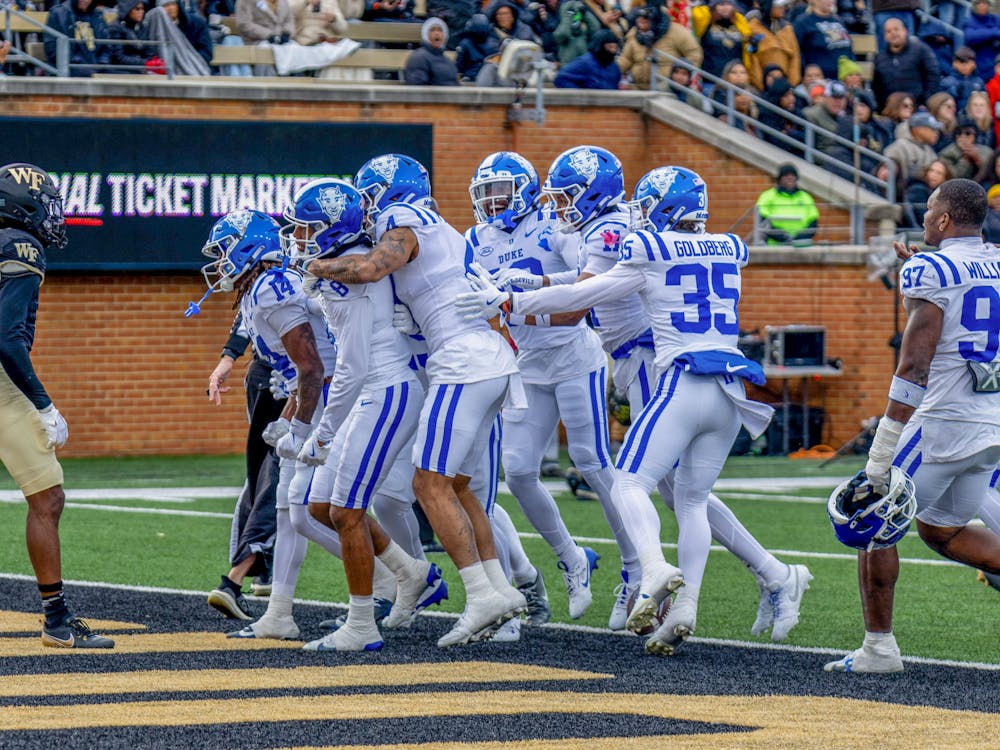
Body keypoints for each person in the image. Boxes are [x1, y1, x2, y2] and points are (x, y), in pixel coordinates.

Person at [458, 166, 807, 655]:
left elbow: (581, 296)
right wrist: (535, 282)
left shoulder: (622, 235)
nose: (558, 205)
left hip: (654, 357)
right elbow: (586, 282)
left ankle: (667, 573)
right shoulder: (722, 244)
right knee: (682, 492)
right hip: (710, 372)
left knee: (651, 484)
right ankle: (765, 576)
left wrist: (512, 300)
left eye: (567, 196)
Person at [305, 154, 528, 648]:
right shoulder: (437, 224)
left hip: (462, 360)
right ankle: (497, 589)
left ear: (387, 192)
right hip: (483, 357)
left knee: (429, 485)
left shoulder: (403, 219)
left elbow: (368, 267)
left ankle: (481, 595)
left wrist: (316, 265)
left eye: (369, 197)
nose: (366, 211)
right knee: (460, 486)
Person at [825, 178, 1000, 673]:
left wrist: (880, 453)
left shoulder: (932, 266)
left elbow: (914, 365)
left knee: (870, 520)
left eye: (929, 210)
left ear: (944, 219)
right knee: (941, 531)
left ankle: (878, 651)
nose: (924, 218)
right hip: (992, 422)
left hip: (944, 421)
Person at [279, 179, 450, 651]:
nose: (300, 237)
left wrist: (324, 432)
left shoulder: (347, 273)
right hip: (374, 391)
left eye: (308, 227)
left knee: (346, 512)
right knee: (319, 506)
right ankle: (410, 571)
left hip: (384, 391)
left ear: (332, 227)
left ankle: (361, 626)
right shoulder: (348, 259)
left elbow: (352, 368)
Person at [464, 150, 632, 626]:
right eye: (486, 193)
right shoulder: (475, 238)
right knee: (516, 472)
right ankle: (572, 557)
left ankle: (635, 569)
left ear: (523, 189)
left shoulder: (554, 225)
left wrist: (527, 288)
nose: (493, 202)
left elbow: (584, 288)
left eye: (500, 191)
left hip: (574, 354)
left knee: (593, 463)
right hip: (527, 361)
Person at [0, 163, 114, 649]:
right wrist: (45, 405)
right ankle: (57, 620)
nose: (52, 213)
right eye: (45, 202)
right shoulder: (20, 246)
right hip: (2, 386)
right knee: (47, 498)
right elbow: (5, 337)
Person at [203, 310, 283, 613]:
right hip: (292, 383)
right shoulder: (279, 281)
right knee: (283, 483)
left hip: (265, 377)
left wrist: (226, 361)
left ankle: (260, 569)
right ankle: (240, 576)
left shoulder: (265, 283)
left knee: (266, 476)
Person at [617, 6, 702, 90]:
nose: (641, 21)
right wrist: (612, 70)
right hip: (639, 89)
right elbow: (625, 59)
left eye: (646, 18)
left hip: (668, 90)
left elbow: (694, 53)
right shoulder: (634, 34)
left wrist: (682, 76)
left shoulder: (676, 31)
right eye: (639, 17)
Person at [872, 17, 941, 110]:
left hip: (917, 108)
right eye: (888, 31)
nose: (893, 33)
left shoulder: (921, 50)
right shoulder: (879, 58)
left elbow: (933, 76)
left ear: (905, 31)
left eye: (896, 29)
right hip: (891, 111)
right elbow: (876, 87)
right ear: (884, 36)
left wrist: (926, 102)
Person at [755, 163, 819, 246]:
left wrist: (799, 238)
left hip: (801, 248)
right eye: (786, 175)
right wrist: (783, 237)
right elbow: (762, 220)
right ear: (780, 178)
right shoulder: (767, 196)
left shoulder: (805, 197)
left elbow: (813, 222)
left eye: (793, 175)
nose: (790, 177)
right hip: (775, 247)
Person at [44, 0, 112, 77]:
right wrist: (79, 68)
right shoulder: (58, 13)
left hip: (97, 70)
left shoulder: (98, 15)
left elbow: (106, 47)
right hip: (69, 70)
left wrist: (101, 65)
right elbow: (52, 49)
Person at [745, 0, 801, 93]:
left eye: (784, 6)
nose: (783, 8)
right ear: (768, 5)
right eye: (779, 6)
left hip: (787, 88)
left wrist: (790, 86)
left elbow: (795, 59)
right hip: (761, 89)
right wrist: (761, 86)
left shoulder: (788, 29)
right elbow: (752, 59)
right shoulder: (751, 28)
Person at [692, 0, 751, 84]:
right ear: (713, 6)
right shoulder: (706, 21)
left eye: (728, 4)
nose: (725, 8)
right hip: (711, 80)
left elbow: (746, 50)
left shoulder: (740, 22)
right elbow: (696, 16)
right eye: (721, 4)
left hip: (735, 81)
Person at [793, 0, 854, 82]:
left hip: (844, 80)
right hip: (819, 81)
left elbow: (849, 49)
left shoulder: (838, 21)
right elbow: (796, 52)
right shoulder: (803, 23)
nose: (831, 1)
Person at [885, 108, 942, 185]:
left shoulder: (930, 152)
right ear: (919, 129)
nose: (936, 133)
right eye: (932, 129)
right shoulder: (899, 146)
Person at [553, 27, 622, 89]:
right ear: (599, 46)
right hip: (588, 101)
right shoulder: (584, 63)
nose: (613, 50)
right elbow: (561, 78)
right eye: (609, 47)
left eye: (615, 47)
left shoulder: (614, 67)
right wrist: (580, 96)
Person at [404, 16, 460, 85]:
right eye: (432, 30)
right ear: (425, 34)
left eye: (440, 30)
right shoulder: (419, 57)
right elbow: (416, 89)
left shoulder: (448, 61)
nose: (437, 33)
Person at [940, 116, 994, 182]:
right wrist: (965, 159)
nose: (963, 137)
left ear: (975, 136)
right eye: (959, 133)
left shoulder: (986, 151)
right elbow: (953, 178)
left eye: (968, 133)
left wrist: (977, 160)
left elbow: (992, 174)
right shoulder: (947, 153)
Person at [803, 79, 849, 156]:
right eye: (834, 97)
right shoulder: (811, 115)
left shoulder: (845, 117)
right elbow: (811, 152)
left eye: (841, 98)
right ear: (825, 97)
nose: (838, 102)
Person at [961, 0, 1000, 82]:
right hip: (978, 65)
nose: (982, 6)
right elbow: (970, 36)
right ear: (974, 6)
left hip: (995, 62)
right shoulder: (970, 21)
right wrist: (994, 32)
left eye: (985, 3)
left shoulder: (996, 19)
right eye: (979, 3)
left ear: (989, 5)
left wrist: (982, 34)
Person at [553, 0, 601, 66]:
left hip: (585, 68)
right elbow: (563, 33)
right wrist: (568, 16)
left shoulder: (583, 33)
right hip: (569, 70)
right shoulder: (559, 32)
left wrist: (585, 13)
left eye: (576, 14)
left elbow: (596, 29)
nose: (575, 16)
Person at [456, 13, 499, 82]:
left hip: (473, 78)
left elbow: (459, 66)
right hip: (484, 79)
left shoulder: (464, 43)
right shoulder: (495, 43)